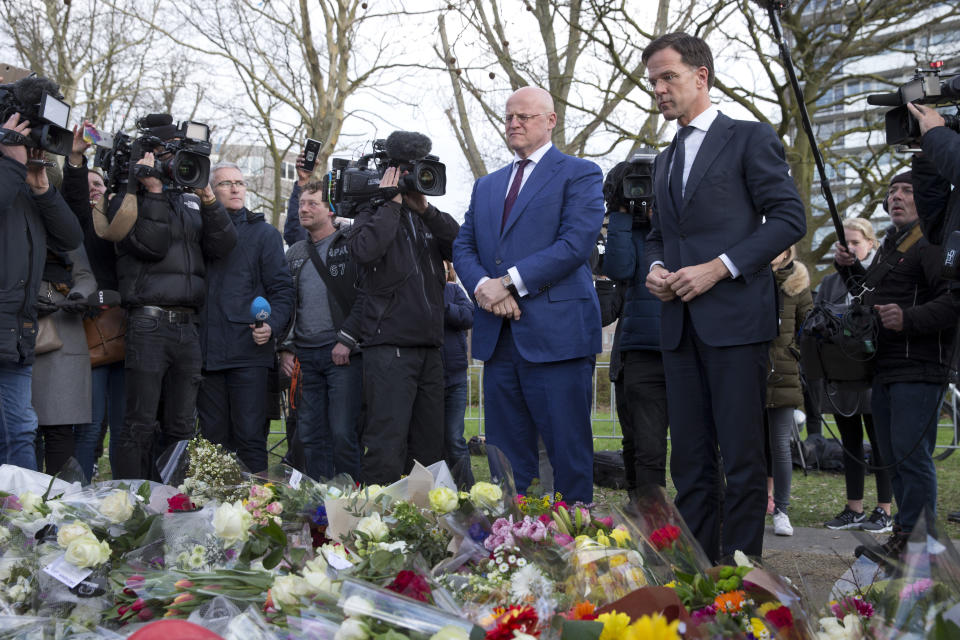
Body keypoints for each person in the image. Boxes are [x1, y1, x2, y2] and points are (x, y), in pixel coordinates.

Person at [642, 32, 806, 561]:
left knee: (741, 460)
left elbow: (788, 218)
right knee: (688, 463)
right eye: (653, 82)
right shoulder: (663, 160)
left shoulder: (749, 137)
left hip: (736, 322)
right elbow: (655, 237)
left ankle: (740, 584)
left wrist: (720, 268)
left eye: (668, 77)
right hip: (679, 328)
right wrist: (656, 268)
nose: (659, 90)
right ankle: (697, 574)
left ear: (701, 76)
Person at [452, 86, 605, 504]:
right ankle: (514, 539)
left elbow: (576, 243)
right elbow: (463, 246)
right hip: (499, 338)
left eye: (525, 116)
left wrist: (510, 281)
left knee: (568, 448)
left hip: (558, 337)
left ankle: (575, 532)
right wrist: (485, 288)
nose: (514, 123)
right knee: (505, 454)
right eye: (508, 117)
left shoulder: (580, 173)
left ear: (551, 120)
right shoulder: (487, 185)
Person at [834, 171, 957, 561]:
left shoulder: (934, 240)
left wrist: (908, 318)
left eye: (907, 190)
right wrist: (849, 269)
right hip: (886, 367)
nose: (896, 197)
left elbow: (954, 301)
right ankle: (905, 537)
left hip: (920, 367)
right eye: (892, 191)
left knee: (910, 457)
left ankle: (923, 548)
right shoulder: (893, 243)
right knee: (893, 457)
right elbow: (870, 297)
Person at [109, 119, 237, 480]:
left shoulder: (190, 198)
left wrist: (209, 199)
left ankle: (175, 502)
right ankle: (132, 499)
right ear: (152, 156)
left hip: (187, 326)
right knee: (140, 423)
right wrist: (152, 189)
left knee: (182, 425)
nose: (179, 162)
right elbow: (151, 244)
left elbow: (224, 245)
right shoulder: (128, 196)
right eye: (173, 153)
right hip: (148, 323)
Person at [348, 147, 460, 486]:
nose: (417, 178)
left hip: (429, 347)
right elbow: (365, 251)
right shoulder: (372, 214)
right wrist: (390, 203)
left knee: (429, 446)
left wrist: (425, 210)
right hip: (389, 347)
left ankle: (421, 525)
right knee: (386, 444)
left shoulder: (424, 217)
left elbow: (459, 245)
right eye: (409, 170)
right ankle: (373, 528)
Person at [0, 103, 83, 469]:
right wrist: (12, 164)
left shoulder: (23, 184)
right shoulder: (8, 175)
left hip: (18, 332)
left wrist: (42, 188)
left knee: (21, 429)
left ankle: (22, 519)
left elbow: (69, 237)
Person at [196, 162, 294, 473]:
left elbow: (283, 291)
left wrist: (272, 328)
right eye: (226, 183)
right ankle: (216, 512)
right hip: (205, 355)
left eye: (239, 182)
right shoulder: (195, 228)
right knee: (212, 442)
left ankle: (257, 511)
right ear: (210, 190)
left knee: (251, 438)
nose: (236, 188)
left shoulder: (265, 234)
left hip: (249, 354)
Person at [279, 180, 364, 482]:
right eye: (301, 203)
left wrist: (348, 339)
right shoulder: (295, 253)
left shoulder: (351, 244)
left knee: (342, 433)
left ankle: (351, 504)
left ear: (331, 211)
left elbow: (364, 296)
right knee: (310, 435)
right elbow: (287, 304)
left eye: (312, 203)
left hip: (342, 355)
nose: (303, 209)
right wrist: (286, 347)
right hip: (306, 356)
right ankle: (319, 505)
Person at [818, 218, 893, 534]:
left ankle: (884, 509)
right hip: (843, 374)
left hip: (875, 371)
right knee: (850, 441)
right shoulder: (830, 282)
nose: (849, 248)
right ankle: (854, 508)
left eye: (856, 243)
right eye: (844, 243)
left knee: (880, 441)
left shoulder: (881, 276)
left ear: (871, 244)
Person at [600, 162, 668, 498]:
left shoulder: (679, 229)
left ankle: (696, 522)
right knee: (641, 444)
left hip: (677, 345)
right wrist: (621, 214)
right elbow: (618, 268)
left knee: (691, 446)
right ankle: (648, 517)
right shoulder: (628, 231)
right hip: (638, 350)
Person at [61, 122, 124, 480]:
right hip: (91, 332)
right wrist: (76, 158)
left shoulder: (120, 219)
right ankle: (80, 494)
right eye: (89, 185)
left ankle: (124, 491)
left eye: (99, 184)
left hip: (129, 331)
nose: (94, 189)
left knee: (124, 424)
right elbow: (74, 196)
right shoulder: (79, 223)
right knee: (89, 424)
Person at [32, 246, 97, 477]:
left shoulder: (63, 224)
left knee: (59, 427)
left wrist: (79, 295)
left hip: (63, 323)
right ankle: (20, 503)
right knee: (21, 430)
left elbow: (85, 276)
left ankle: (57, 505)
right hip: (16, 320)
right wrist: (23, 300)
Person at [763, 245, 813, 537]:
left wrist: (794, 353)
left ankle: (781, 510)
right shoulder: (752, 278)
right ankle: (751, 503)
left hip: (783, 374)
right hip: (751, 370)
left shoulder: (798, 284)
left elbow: (808, 325)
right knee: (748, 445)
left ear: (788, 252)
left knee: (780, 446)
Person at [441, 262, 475, 488]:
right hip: (428, 379)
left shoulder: (454, 290)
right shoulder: (416, 291)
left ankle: (467, 490)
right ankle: (440, 489)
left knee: (455, 438)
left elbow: (468, 316)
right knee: (432, 441)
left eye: (442, 267)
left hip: (455, 377)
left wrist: (444, 307)